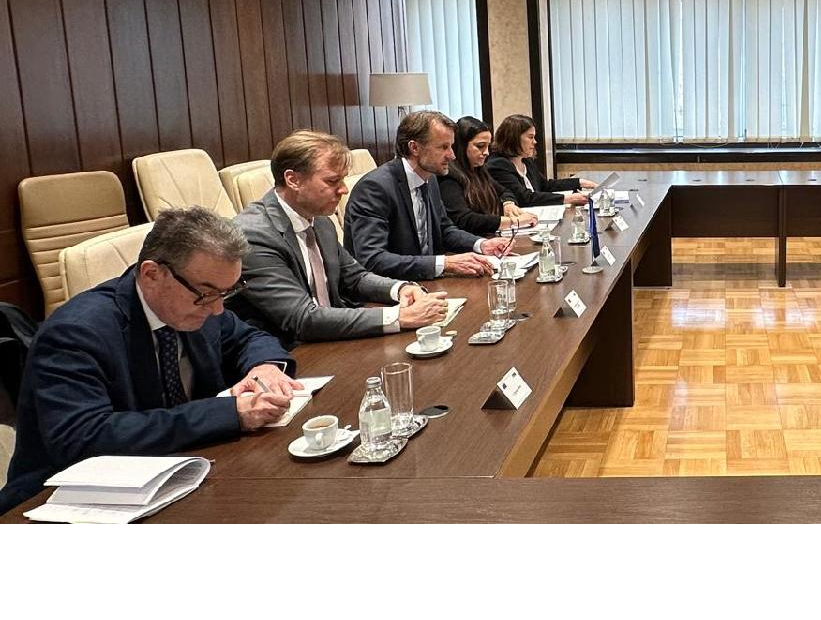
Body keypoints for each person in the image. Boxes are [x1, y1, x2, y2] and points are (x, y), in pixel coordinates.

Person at [1, 208, 299, 513]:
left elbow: (249, 337)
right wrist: (228, 414)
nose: (217, 309)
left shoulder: (195, 300)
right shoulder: (74, 333)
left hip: (179, 475)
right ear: (152, 274)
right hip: (66, 499)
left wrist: (264, 367)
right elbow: (84, 436)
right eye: (208, 294)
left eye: (227, 293)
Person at [230, 130, 450, 347]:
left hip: (333, 339)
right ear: (293, 180)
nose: (344, 190)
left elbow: (355, 278)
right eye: (332, 181)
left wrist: (400, 289)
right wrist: (398, 317)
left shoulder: (320, 220)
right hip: (289, 353)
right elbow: (302, 318)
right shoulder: (254, 235)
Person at [343, 110, 514, 282]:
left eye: (451, 146)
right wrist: (444, 263)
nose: (452, 155)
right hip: (390, 289)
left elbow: (444, 230)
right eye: (443, 147)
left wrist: (481, 244)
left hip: (424, 282)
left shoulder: (429, 178)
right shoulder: (375, 188)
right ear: (414, 147)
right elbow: (372, 259)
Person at [439, 116, 536, 234]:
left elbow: (505, 192)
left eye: (488, 146)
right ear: (462, 145)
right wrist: (513, 221)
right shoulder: (449, 176)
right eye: (480, 146)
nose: (486, 152)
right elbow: (465, 219)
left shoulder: (479, 170)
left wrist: (508, 203)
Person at [486, 114, 597, 208]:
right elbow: (525, 198)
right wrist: (568, 198)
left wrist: (579, 182)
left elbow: (545, 185)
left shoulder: (526, 161)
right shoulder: (498, 165)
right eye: (530, 137)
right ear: (513, 138)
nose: (534, 142)